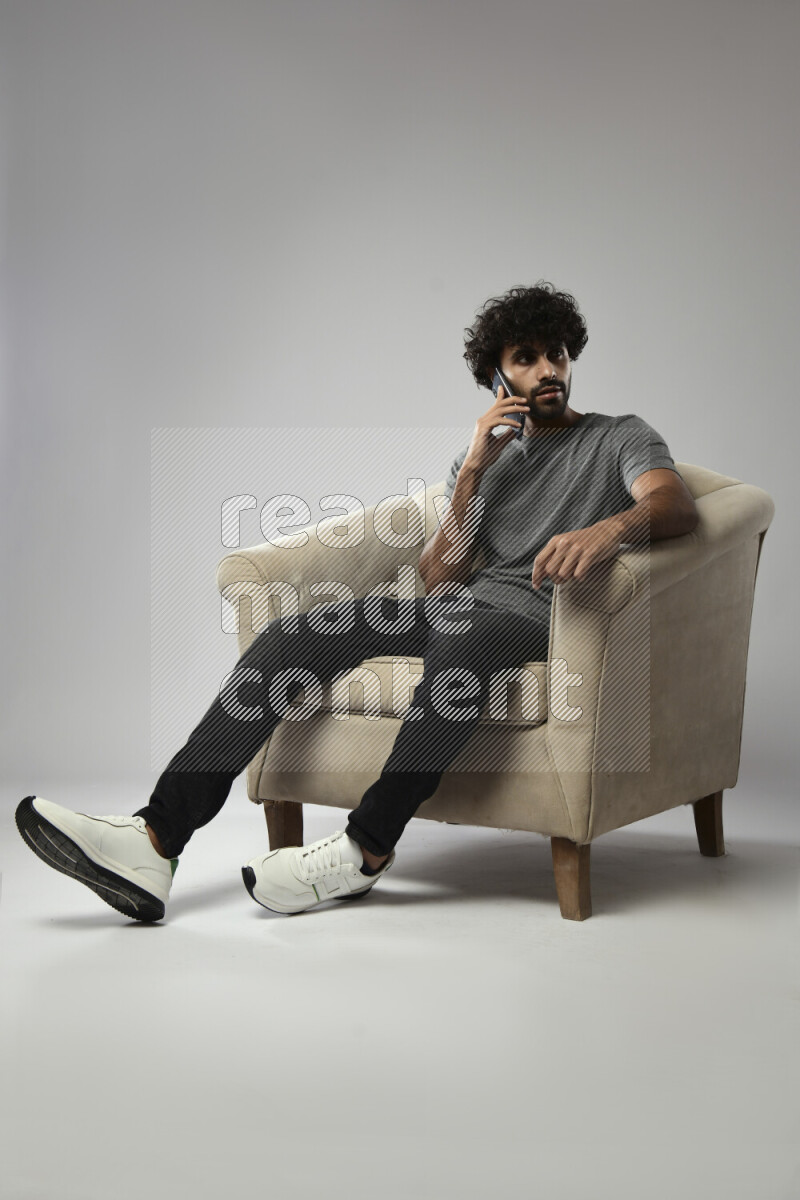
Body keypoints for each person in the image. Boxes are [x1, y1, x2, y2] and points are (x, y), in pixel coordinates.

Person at [15, 281, 699, 922]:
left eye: (558, 354)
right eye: (527, 358)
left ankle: (364, 851)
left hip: (540, 616)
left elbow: (673, 505)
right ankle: (155, 839)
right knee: (290, 636)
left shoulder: (619, 436)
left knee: (461, 646)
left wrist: (610, 529)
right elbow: (442, 578)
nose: (549, 369)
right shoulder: (489, 463)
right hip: (464, 606)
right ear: (497, 379)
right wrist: (471, 471)